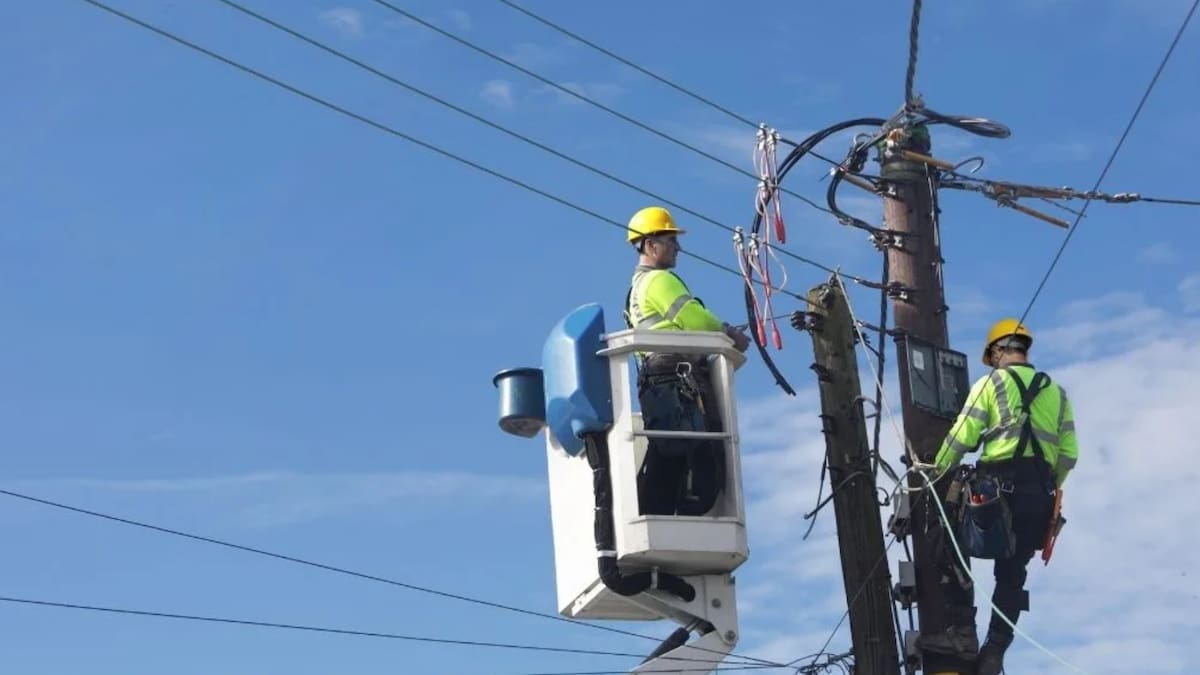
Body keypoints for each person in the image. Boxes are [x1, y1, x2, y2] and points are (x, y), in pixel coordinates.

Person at [933, 318, 1079, 675]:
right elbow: (1069, 455)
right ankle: (995, 651)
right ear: (1024, 351)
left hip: (994, 491)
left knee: (948, 538)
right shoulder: (1058, 394)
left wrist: (935, 471)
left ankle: (962, 630)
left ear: (997, 351)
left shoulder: (991, 383)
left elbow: (963, 436)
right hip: (1039, 497)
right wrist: (1047, 485)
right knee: (1012, 575)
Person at [622, 206, 750, 516]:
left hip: (658, 381)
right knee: (700, 457)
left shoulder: (635, 290)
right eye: (670, 240)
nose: (678, 247)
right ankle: (680, 512)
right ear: (650, 245)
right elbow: (695, 319)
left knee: (671, 455)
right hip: (676, 378)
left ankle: (659, 514)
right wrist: (729, 333)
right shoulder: (659, 280)